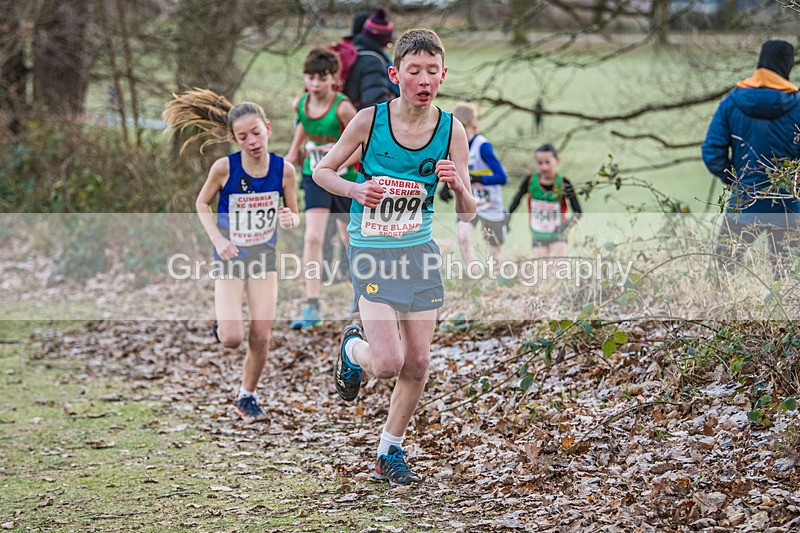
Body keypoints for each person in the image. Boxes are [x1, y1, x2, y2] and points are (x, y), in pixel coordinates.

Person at [313, 29, 476, 486]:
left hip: (419, 252)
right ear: (395, 74)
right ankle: (351, 347)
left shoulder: (452, 130)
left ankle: (389, 450)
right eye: (414, 71)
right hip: (372, 251)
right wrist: (354, 189)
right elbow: (322, 170)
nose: (423, 80)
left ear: (443, 75)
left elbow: (468, 214)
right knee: (387, 363)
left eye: (432, 71)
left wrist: (459, 187)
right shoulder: (369, 121)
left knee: (418, 363)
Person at [162, 89, 300, 423]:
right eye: (242, 136)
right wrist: (218, 239)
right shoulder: (225, 168)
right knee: (232, 339)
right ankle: (223, 325)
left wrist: (290, 218)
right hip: (230, 259)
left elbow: (295, 214)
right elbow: (200, 203)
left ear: (267, 127)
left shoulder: (285, 171)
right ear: (233, 139)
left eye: (256, 132)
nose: (252, 141)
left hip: (264, 261)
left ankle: (246, 397)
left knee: (262, 335)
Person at [702, 40, 800, 269]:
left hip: (744, 202)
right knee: (787, 280)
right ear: (787, 66)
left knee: (723, 269)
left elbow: (712, 152)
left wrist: (734, 179)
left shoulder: (732, 102)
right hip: (788, 207)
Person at [285, 48, 359, 329]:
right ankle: (312, 304)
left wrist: (338, 162)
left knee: (349, 239)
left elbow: (362, 144)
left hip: (343, 180)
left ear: (333, 79)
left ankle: (362, 296)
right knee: (313, 237)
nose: (315, 84)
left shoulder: (342, 108)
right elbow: (304, 127)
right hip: (313, 177)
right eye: (311, 77)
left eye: (322, 78)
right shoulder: (300, 103)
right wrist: (291, 156)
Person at [439, 103, 508, 277]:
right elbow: (451, 171)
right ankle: (474, 274)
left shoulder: (482, 147)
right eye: (456, 128)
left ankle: (496, 279)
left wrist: (478, 179)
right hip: (470, 203)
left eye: (463, 128)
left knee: (494, 251)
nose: (459, 133)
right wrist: (444, 189)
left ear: (473, 127)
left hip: (491, 205)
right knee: (463, 237)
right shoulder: (452, 148)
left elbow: (502, 177)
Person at [507, 143, 582, 258]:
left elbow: (578, 211)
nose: (544, 167)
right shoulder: (530, 180)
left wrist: (565, 225)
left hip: (559, 235)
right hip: (538, 234)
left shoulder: (563, 182)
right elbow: (516, 200)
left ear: (557, 160)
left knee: (556, 270)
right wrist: (507, 217)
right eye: (540, 163)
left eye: (547, 162)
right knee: (541, 273)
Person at [343, 7, 397, 110]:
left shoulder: (353, 53)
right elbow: (376, 105)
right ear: (384, 41)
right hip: (356, 121)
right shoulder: (373, 62)